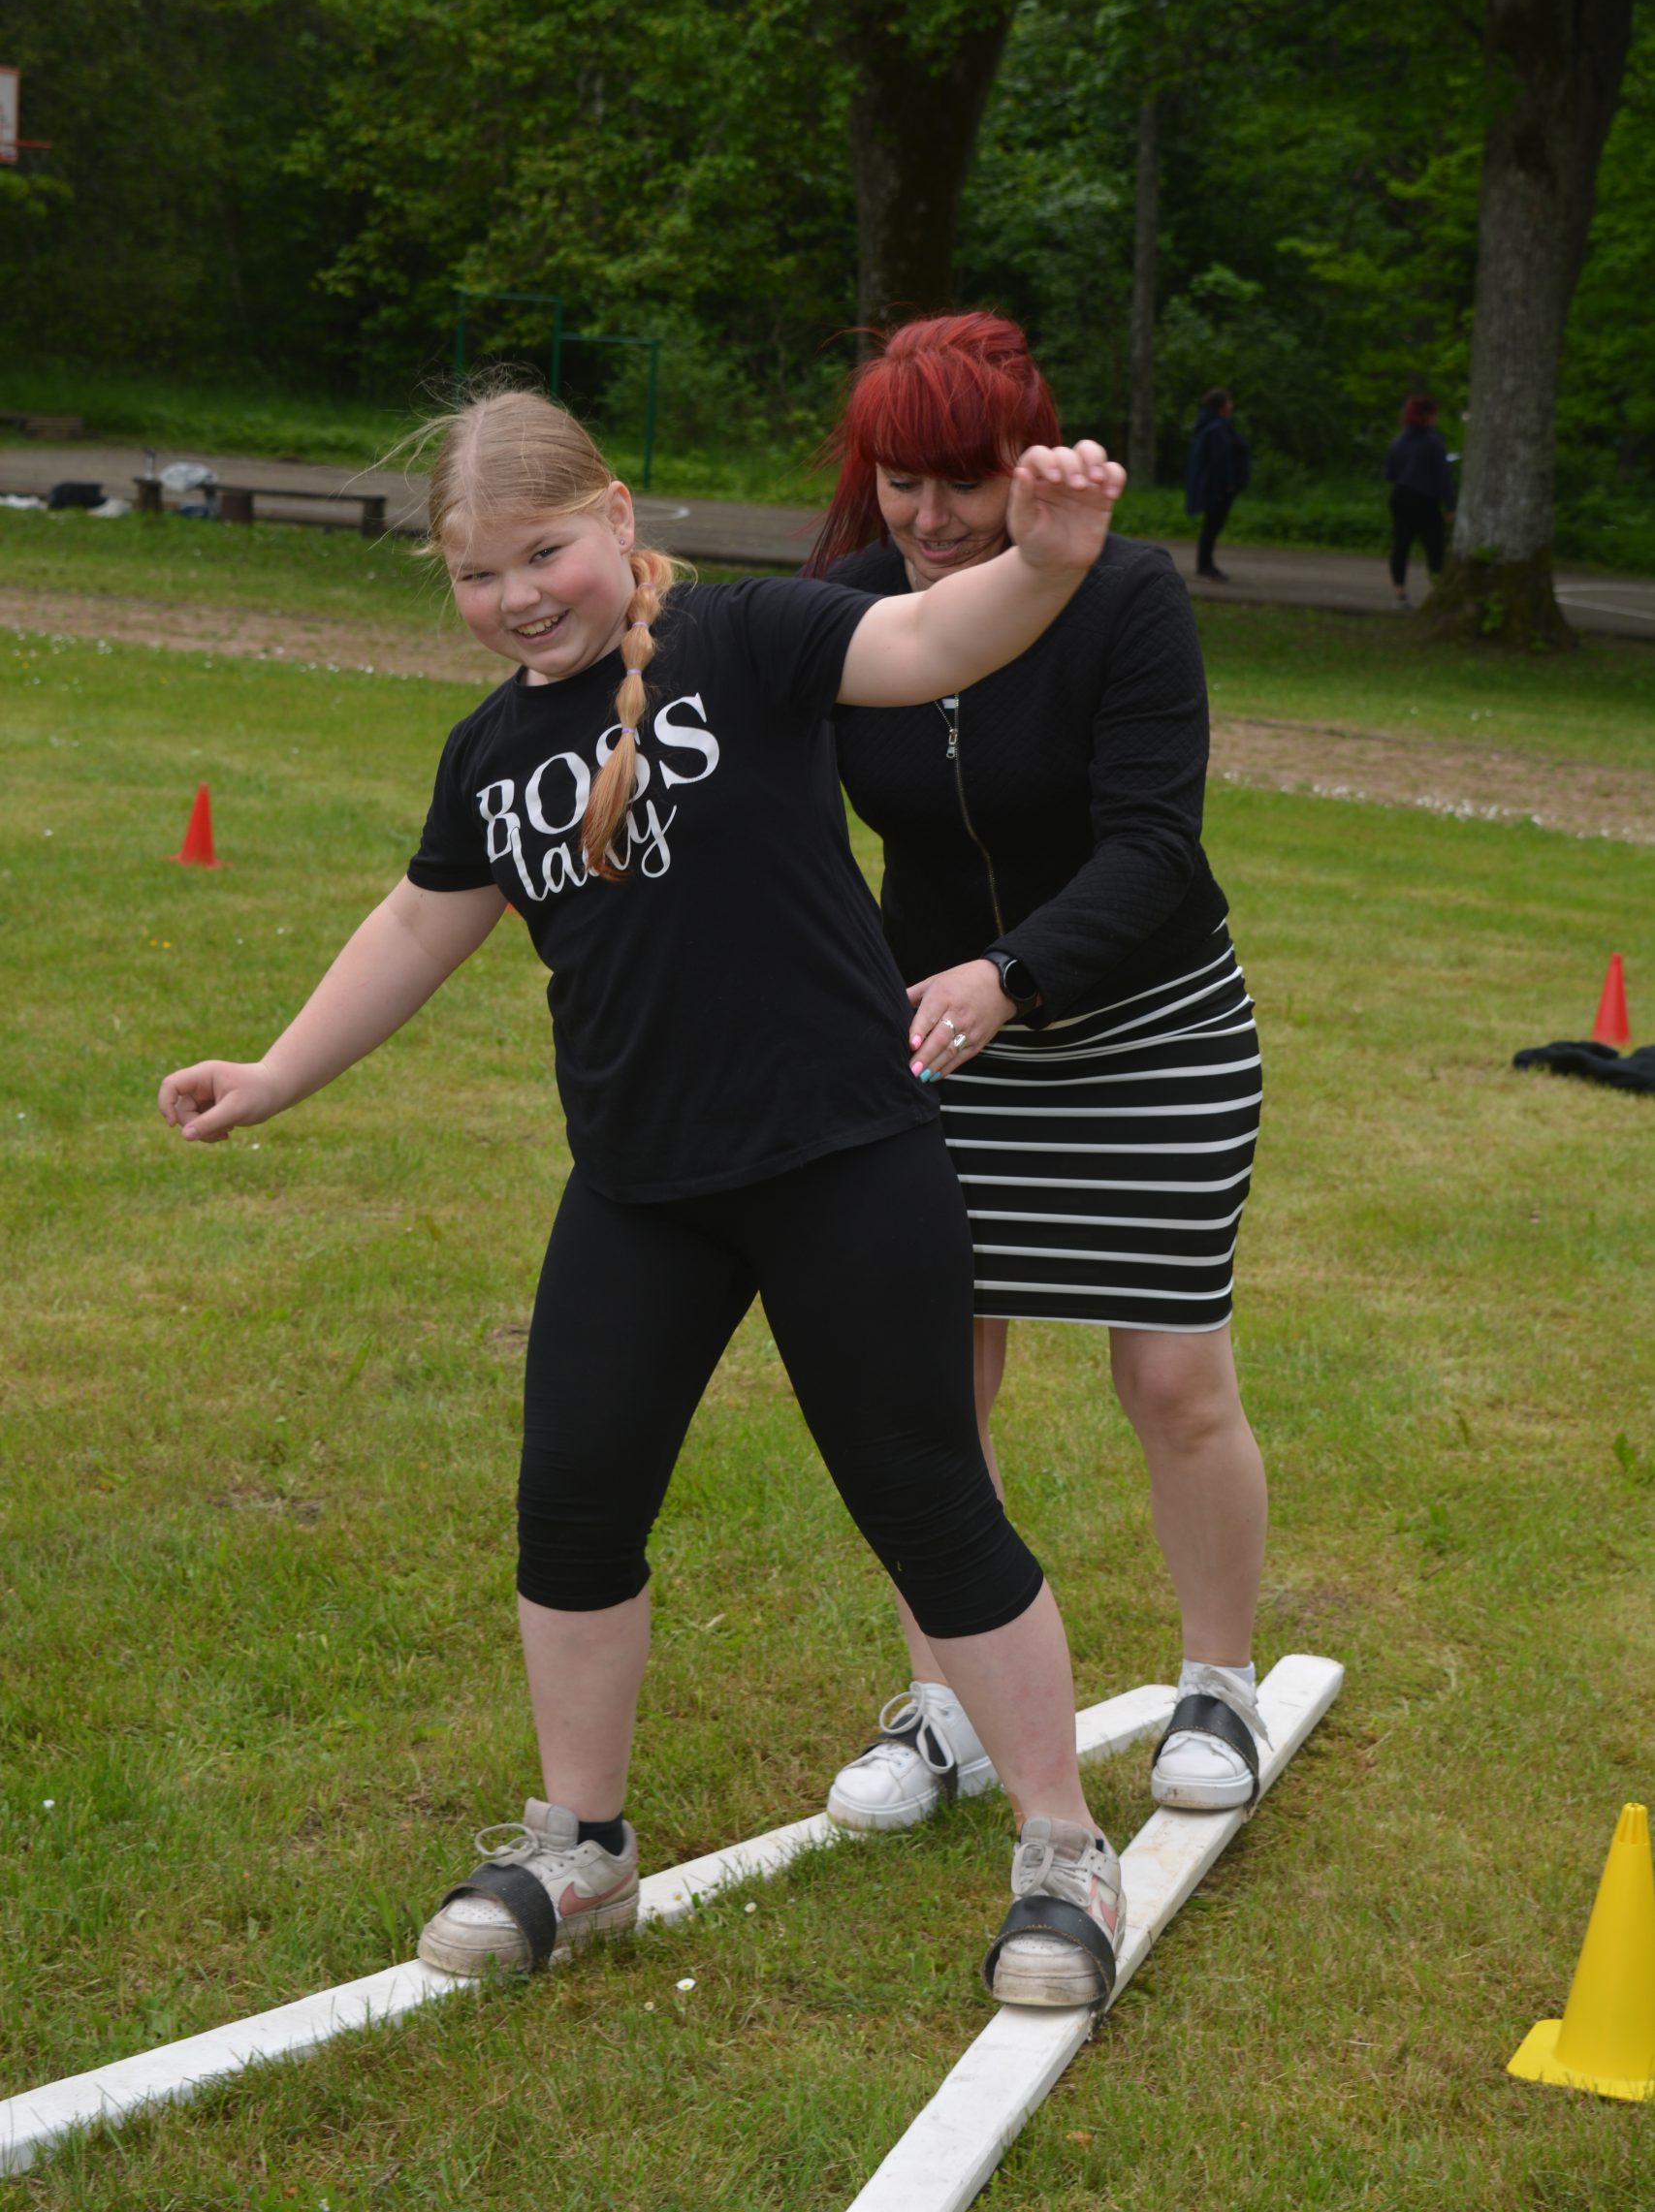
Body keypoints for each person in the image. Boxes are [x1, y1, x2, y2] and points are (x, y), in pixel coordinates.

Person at [157, 388, 1136, 2010]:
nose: (516, 597)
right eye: (476, 574)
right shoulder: (489, 752)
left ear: (614, 518)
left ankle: (1060, 1848)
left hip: (843, 1161)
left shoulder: (744, 642)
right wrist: (274, 1074)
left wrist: (1039, 564)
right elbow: (416, 925)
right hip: (641, 1189)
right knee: (574, 1504)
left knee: (922, 1497)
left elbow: (925, 646)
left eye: (541, 552)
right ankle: (581, 1848)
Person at [807, 313, 1270, 1838]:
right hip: (942, 1045)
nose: (930, 519)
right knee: (933, 1385)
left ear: (1027, 464)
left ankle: (1217, 1682)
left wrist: (1009, 973)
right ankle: (944, 1705)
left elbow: (1154, 847)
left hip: (1149, 1035)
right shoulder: (846, 609)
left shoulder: (1123, 596)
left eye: (963, 480)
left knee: (1170, 1380)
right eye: (901, 483)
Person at [1384, 394, 1455, 605]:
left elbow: (1390, 473)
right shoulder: (1433, 442)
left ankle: (1400, 590)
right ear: (1427, 415)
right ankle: (1438, 588)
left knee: (1401, 544)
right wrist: (1450, 505)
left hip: (1400, 496)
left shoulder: (1397, 441)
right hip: (1425, 500)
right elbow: (1443, 477)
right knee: (1435, 545)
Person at [1183, 387, 1250, 583]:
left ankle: (1205, 564)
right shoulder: (1217, 429)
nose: (1231, 405)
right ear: (1221, 406)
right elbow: (1220, 460)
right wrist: (1228, 484)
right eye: (1229, 401)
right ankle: (1205, 566)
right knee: (1212, 526)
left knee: (1211, 527)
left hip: (1215, 487)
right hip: (1218, 489)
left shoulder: (1212, 426)